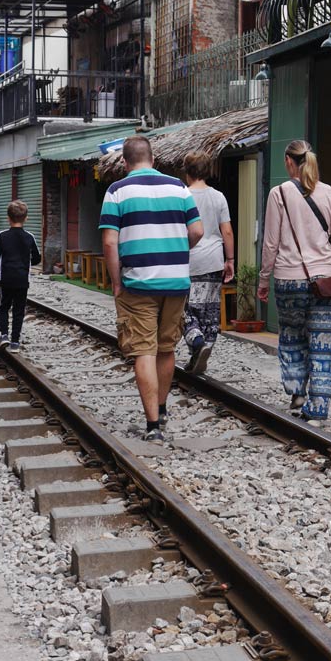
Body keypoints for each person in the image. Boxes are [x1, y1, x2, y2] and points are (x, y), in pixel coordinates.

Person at [100, 136, 204, 444]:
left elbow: (109, 241)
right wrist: (176, 251)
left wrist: (116, 281)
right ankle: (161, 407)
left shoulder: (116, 191)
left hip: (138, 281)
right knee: (166, 347)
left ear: (124, 162)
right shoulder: (178, 188)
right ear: (153, 158)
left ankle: (153, 426)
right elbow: (197, 230)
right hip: (175, 281)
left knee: (143, 350)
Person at [257, 139, 331, 425]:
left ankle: (297, 392)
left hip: (288, 280)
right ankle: (319, 409)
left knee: (291, 336)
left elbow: (270, 243)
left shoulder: (279, 194)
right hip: (324, 280)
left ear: (289, 161)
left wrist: (264, 279)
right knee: (323, 344)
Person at [181, 151, 234, 375]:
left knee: (185, 309)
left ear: (187, 173)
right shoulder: (219, 197)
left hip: (188, 260)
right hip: (213, 260)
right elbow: (227, 231)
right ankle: (203, 349)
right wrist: (230, 259)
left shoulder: (181, 195)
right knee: (210, 310)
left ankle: (196, 341)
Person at [0, 200, 41, 352]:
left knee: (3, 307)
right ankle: (15, 343)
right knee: (19, 310)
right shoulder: (29, 237)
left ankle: (4, 335)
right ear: (26, 218)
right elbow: (37, 258)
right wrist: (25, 261)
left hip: (6, 279)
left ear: (8, 218)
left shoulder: (2, 236)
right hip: (22, 280)